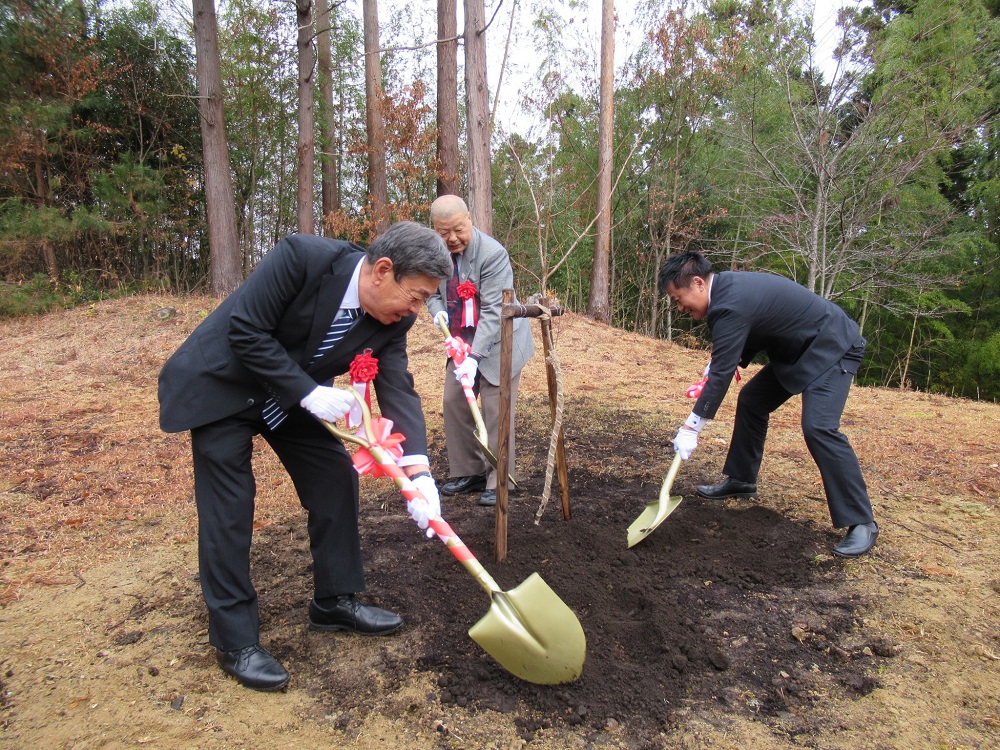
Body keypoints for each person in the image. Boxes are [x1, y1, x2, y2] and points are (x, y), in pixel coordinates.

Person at [158, 222, 453, 691]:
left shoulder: (396, 319)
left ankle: (335, 601)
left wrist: (419, 471)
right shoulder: (302, 258)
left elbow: (396, 385)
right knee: (230, 508)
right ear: (382, 270)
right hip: (223, 386)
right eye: (415, 296)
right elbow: (247, 330)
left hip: (291, 396)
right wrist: (308, 393)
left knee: (335, 477)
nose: (416, 310)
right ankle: (235, 640)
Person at [659, 251, 878, 558]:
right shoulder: (726, 291)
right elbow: (748, 332)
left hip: (833, 346)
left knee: (819, 427)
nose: (680, 307)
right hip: (798, 351)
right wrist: (722, 363)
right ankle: (741, 479)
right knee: (752, 400)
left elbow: (724, 370)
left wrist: (691, 427)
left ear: (697, 283)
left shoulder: (728, 303)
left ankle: (862, 522)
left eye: (679, 298)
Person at [425, 195, 534, 507]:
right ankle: (469, 471)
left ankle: (499, 478)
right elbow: (431, 290)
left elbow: (494, 313)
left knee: (494, 407)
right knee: (454, 400)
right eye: (444, 232)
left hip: (500, 337)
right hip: (460, 335)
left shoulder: (492, 254)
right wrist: (436, 310)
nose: (452, 238)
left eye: (458, 229)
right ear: (435, 230)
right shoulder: (434, 252)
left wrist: (474, 358)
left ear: (469, 219)